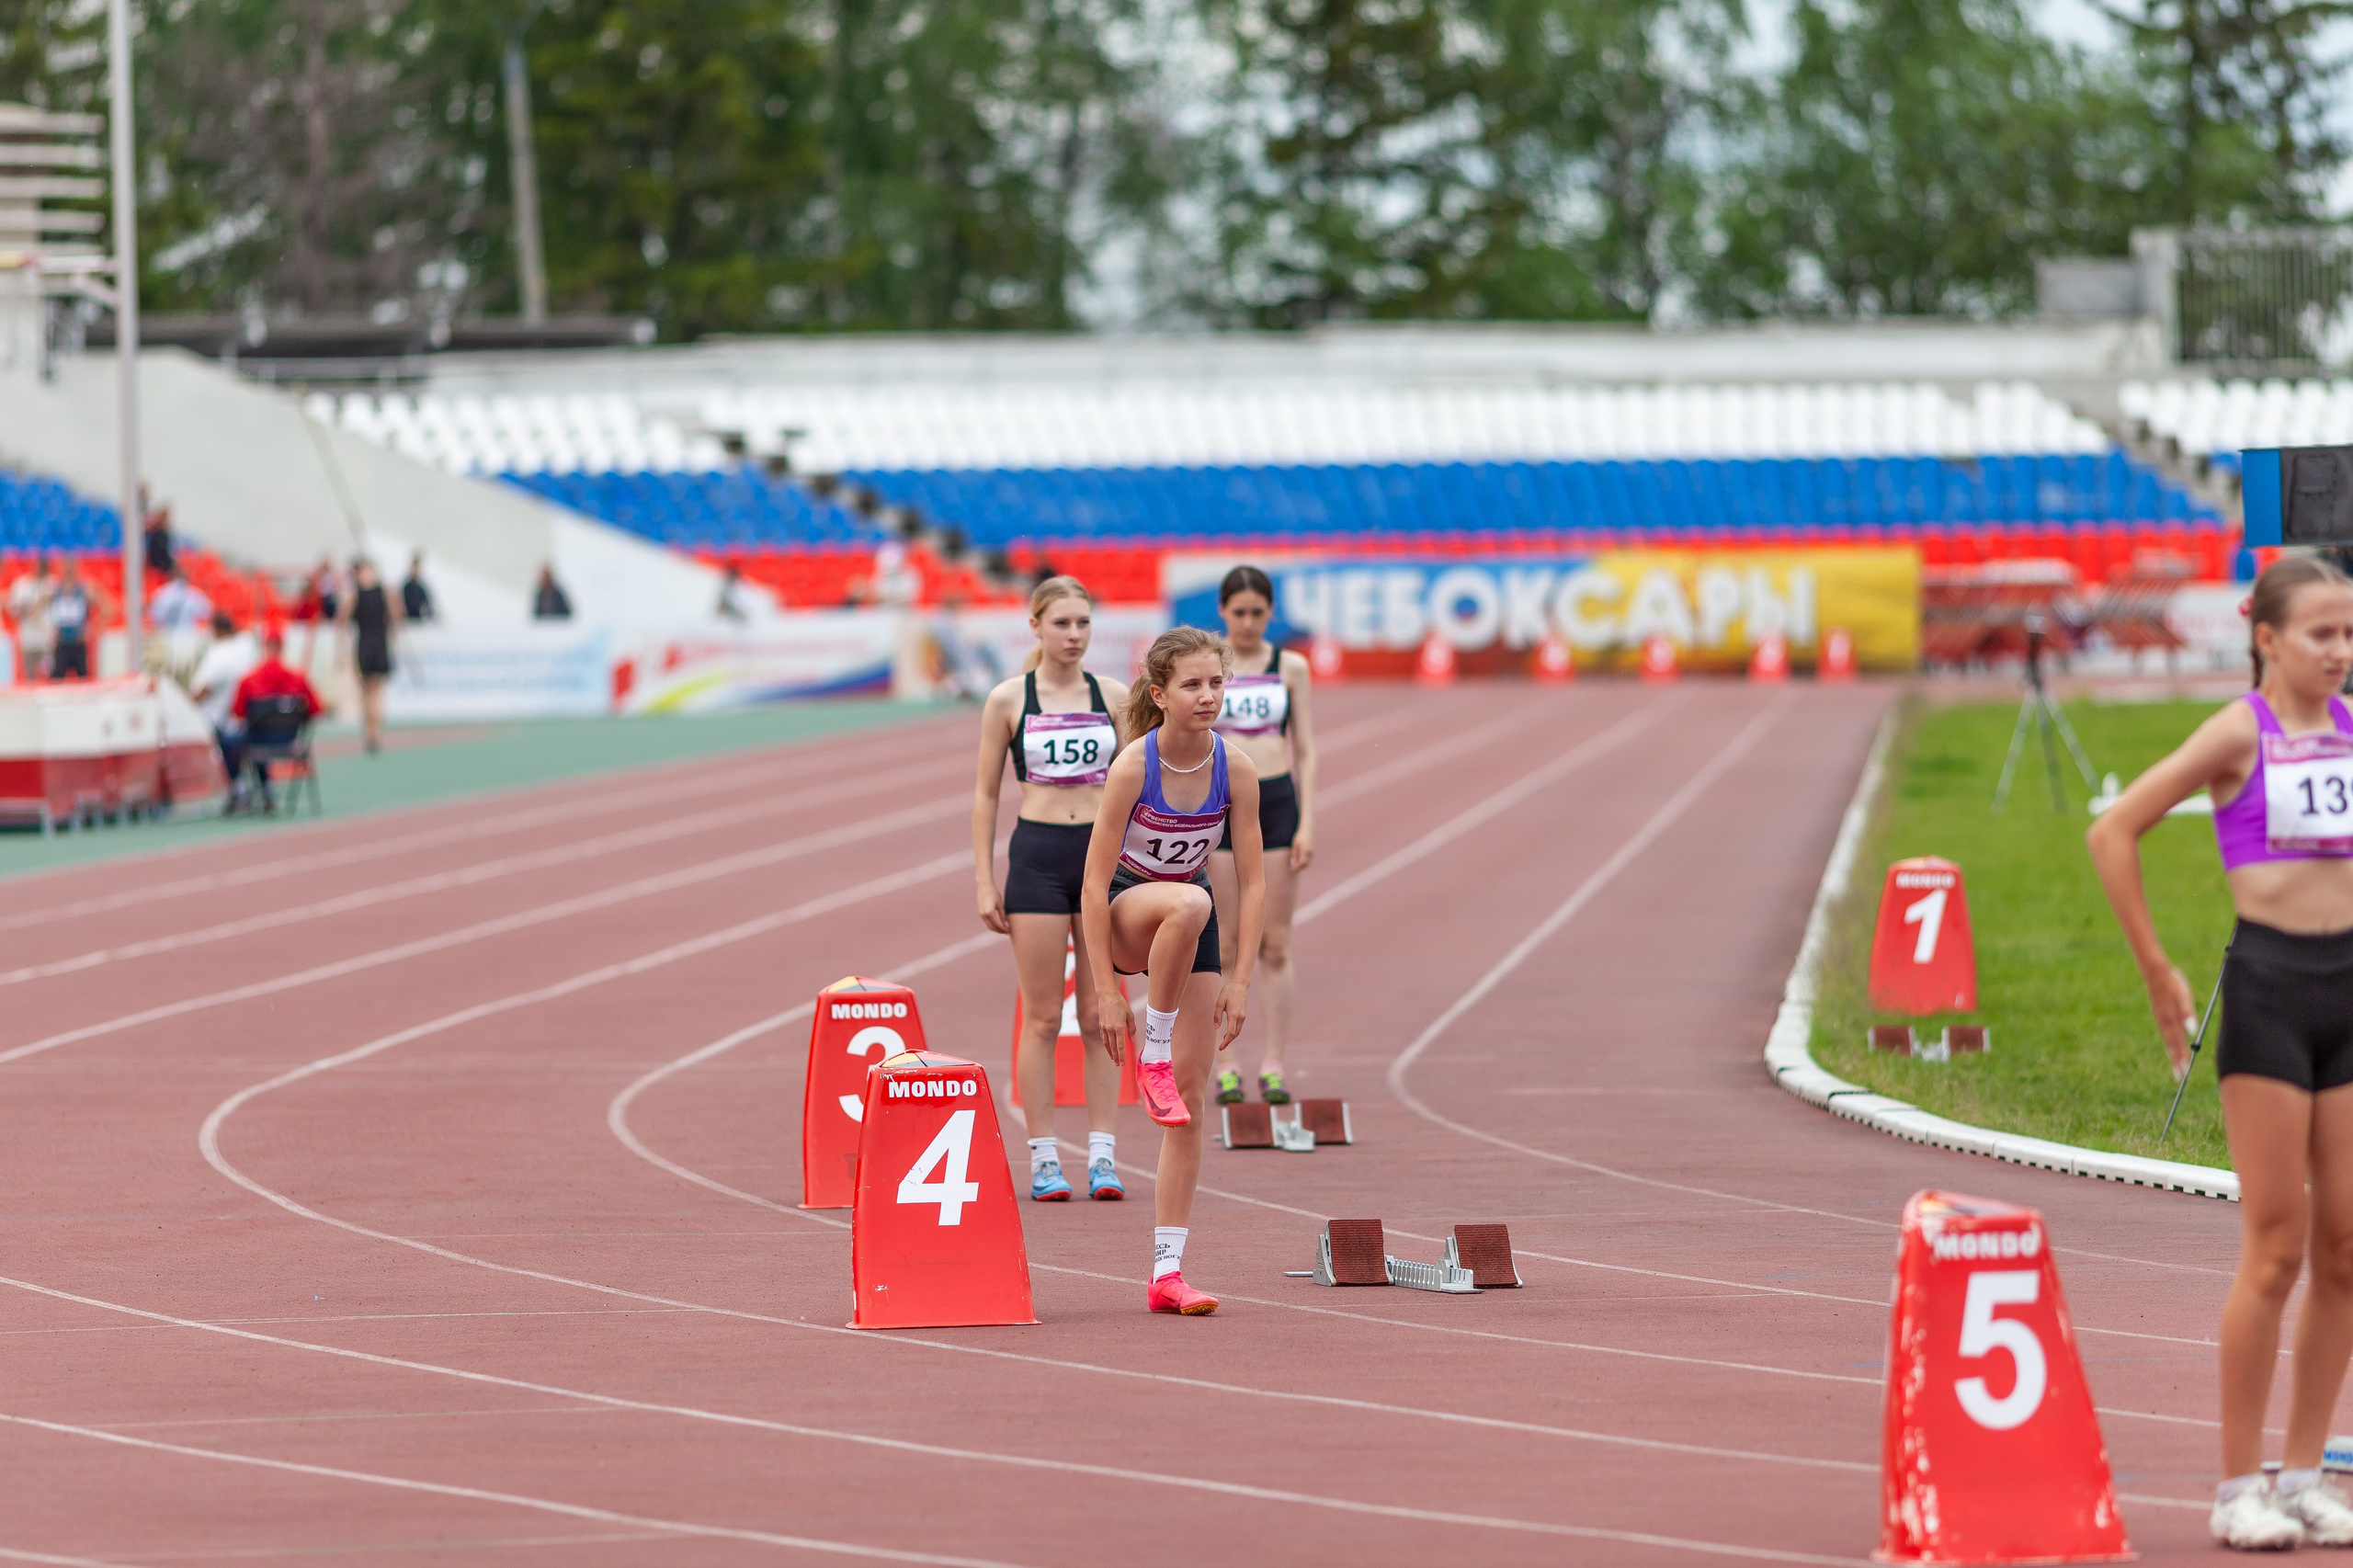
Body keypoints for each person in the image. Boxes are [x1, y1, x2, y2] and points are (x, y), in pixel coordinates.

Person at [2088, 554, 2353, 1550]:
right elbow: (2114, 830)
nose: (2339, 651)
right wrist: (2157, 966)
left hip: (2348, 992)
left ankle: (2304, 1475)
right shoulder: (2239, 731)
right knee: (2276, 1245)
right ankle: (2238, 1486)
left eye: (2350, 634)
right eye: (2322, 634)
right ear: (2268, 640)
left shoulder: (2350, 730)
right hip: (2272, 997)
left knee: (2344, 1248)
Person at [1081, 627, 1263, 1315]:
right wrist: (1106, 990)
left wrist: (1240, 981)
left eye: (1216, 683)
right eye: (1192, 685)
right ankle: (1150, 1050)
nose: (1207, 696)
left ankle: (1167, 1273)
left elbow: (1253, 883)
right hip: (1130, 909)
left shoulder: (1235, 769)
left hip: (1193, 923)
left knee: (1188, 1103)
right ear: (1159, 695)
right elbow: (1091, 881)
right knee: (1188, 900)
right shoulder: (1135, 766)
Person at [972, 576, 1133, 1203]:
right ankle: (1043, 1160)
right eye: (1062, 623)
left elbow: (1139, 783)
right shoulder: (1009, 699)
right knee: (1041, 1018)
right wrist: (984, 878)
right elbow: (986, 792)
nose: (1074, 635)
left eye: (1083, 623)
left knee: (1099, 1016)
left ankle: (1103, 1157)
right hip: (1037, 858)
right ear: (1035, 626)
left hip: (1100, 860)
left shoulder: (1112, 696)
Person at [1206, 564, 1318, 1108]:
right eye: (1239, 612)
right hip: (1220, 804)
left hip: (1275, 804)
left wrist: (1308, 822)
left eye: (1257, 613)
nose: (1248, 622)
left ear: (1271, 613)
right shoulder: (1211, 667)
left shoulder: (1289, 666)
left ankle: (1273, 1064)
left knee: (1275, 944)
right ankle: (1226, 1066)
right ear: (1222, 612)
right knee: (1225, 943)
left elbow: (1306, 750)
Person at [231, 630, 322, 812]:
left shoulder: (249, 680)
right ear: (282, 647)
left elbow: (238, 713)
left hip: (257, 745)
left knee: (232, 741)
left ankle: (242, 790)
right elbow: (317, 710)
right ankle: (264, 790)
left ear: (264, 647)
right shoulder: (298, 678)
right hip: (290, 743)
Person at [189, 610, 260, 802]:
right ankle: (255, 787)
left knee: (224, 749)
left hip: (219, 720)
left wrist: (188, 705)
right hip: (242, 716)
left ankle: (237, 788)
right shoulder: (244, 646)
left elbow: (206, 687)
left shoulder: (221, 654)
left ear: (217, 630)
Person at [342, 556, 399, 754]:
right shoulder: (384, 591)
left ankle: (370, 732)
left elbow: (343, 618)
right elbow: (396, 615)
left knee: (367, 692)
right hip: (378, 643)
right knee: (376, 692)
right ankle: (375, 732)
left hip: (366, 644)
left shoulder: (356, 594)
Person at [47, 561, 99, 680]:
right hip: (61, 643)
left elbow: (106, 609)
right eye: (66, 566)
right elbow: (42, 611)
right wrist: (50, 630)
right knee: (57, 680)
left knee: (83, 680)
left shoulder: (83, 590)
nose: (68, 570)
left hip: (78, 643)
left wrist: (92, 629)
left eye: (71, 566)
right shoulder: (55, 591)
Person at [7, 557, 53, 681]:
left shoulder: (51, 583)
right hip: (28, 641)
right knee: (29, 679)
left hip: (48, 641)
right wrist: (27, 609)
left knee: (49, 678)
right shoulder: (21, 584)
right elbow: (13, 612)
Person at [401, 551, 437, 622]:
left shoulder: (422, 588)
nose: (415, 570)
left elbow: (428, 606)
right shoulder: (404, 586)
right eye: (414, 567)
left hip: (418, 622)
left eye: (417, 568)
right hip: (406, 621)